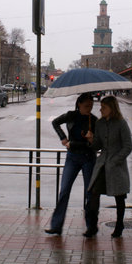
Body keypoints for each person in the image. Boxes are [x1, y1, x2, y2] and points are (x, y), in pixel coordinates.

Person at [44, 93, 98, 236]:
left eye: (91, 105)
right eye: (87, 105)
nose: (89, 108)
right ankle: (56, 225)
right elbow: (55, 122)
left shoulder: (94, 120)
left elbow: (95, 145)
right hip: (72, 158)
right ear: (79, 104)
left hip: (88, 158)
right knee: (64, 190)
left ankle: (91, 226)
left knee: (89, 193)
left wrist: (91, 140)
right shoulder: (70, 115)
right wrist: (63, 138)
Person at [83, 96, 132, 239]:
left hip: (116, 167)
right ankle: (92, 226)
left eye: (104, 107)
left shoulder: (122, 124)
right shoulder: (100, 123)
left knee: (119, 197)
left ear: (112, 108)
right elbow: (98, 145)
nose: (100, 109)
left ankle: (119, 225)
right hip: (102, 164)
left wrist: (115, 160)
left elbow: (128, 146)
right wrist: (92, 140)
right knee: (93, 194)